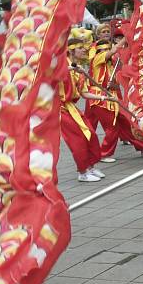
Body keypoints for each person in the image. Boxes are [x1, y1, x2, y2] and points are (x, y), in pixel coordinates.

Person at [85, 32, 143, 161]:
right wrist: (127, 36)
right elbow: (114, 50)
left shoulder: (113, 63)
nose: (105, 51)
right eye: (102, 50)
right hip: (100, 99)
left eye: (107, 48)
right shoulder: (97, 59)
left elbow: (119, 77)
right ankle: (104, 154)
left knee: (128, 123)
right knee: (112, 128)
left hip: (113, 97)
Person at [61, 33, 106, 182]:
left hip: (72, 108)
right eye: (80, 48)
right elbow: (51, 74)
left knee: (91, 134)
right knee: (78, 139)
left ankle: (90, 166)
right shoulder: (61, 65)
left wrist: (103, 97)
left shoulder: (78, 69)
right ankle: (82, 172)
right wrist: (68, 69)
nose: (84, 50)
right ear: (70, 50)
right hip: (60, 109)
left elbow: (85, 93)